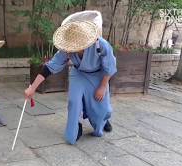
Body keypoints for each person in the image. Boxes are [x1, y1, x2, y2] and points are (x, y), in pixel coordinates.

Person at [24, 11, 117, 144]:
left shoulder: (101, 45)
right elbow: (49, 67)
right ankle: (75, 127)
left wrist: (102, 87)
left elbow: (110, 67)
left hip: (99, 75)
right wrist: (32, 88)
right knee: (74, 101)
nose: (69, 49)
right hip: (78, 73)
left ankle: (102, 119)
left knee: (103, 110)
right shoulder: (66, 49)